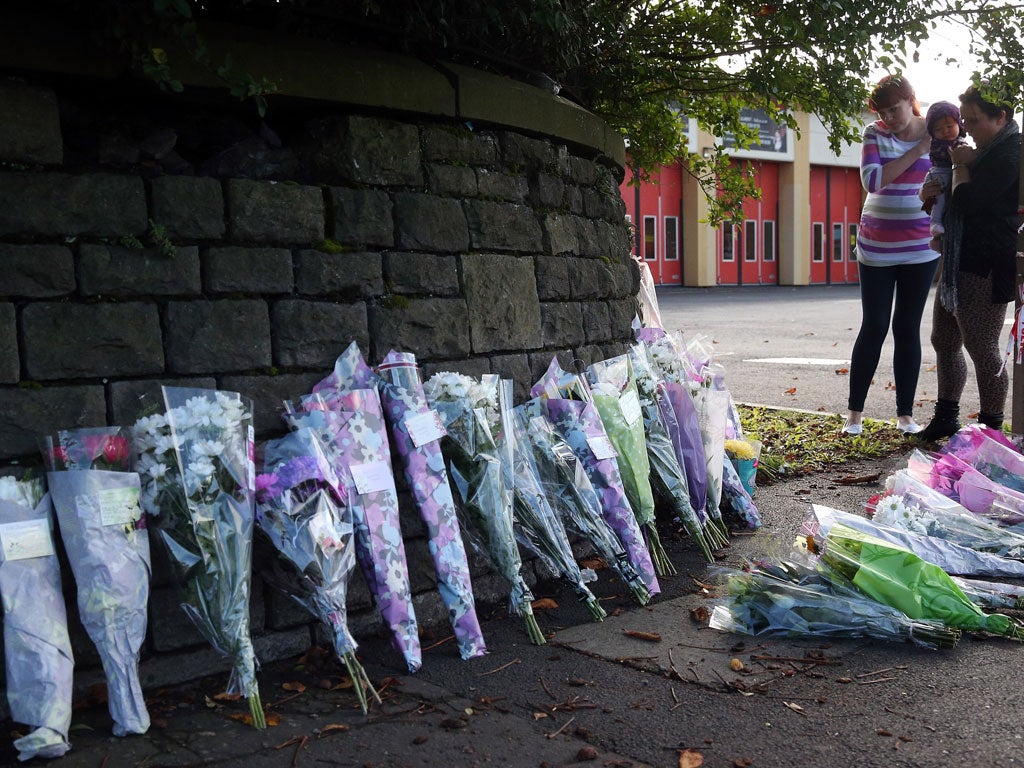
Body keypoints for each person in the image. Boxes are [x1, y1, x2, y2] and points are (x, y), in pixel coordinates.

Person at [915, 82, 1021, 441]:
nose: (967, 127)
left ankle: (992, 430)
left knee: (981, 346)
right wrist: (929, 195)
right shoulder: (987, 149)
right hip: (957, 258)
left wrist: (960, 167)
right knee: (943, 339)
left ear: (1000, 117)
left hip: (986, 263)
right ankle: (947, 416)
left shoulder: (1010, 153)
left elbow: (968, 203)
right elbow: (950, 201)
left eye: (973, 120)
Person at [842, 74, 937, 436]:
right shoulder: (874, 133)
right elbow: (872, 180)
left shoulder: (937, 128)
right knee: (875, 324)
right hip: (877, 246)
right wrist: (917, 151)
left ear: (911, 99)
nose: (890, 117)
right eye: (884, 112)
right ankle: (854, 415)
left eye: (895, 109)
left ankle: (905, 416)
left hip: (921, 247)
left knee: (907, 327)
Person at [920, 101, 968, 251]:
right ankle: (935, 224)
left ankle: (938, 236)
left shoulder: (963, 143)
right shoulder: (937, 145)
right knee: (938, 198)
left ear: (958, 125)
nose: (945, 132)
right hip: (940, 174)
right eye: (939, 129)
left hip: (951, 174)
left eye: (949, 126)